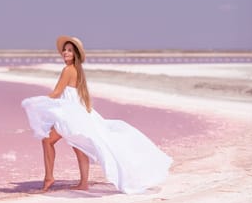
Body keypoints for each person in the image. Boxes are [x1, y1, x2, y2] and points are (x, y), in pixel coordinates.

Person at [21, 35, 173, 194]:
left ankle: (49, 178)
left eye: (70, 51)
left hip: (70, 113)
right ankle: (83, 183)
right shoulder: (78, 71)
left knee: (48, 141)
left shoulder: (68, 70)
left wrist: (34, 102)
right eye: (64, 50)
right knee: (77, 145)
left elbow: (57, 92)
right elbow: (75, 95)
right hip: (76, 112)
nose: (65, 53)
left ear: (75, 55)